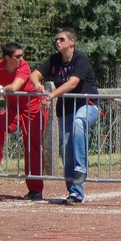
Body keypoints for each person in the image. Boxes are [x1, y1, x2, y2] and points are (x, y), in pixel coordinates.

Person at [29, 27, 99, 205]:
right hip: (65, 109)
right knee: (67, 150)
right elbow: (34, 75)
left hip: (87, 105)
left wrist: (50, 96)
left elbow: (72, 83)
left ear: (71, 42)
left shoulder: (80, 59)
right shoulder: (54, 60)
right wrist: (38, 84)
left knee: (78, 123)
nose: (57, 42)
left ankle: (81, 168)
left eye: (61, 39)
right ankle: (75, 193)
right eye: (56, 40)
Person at [0, 42, 48, 201]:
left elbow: (16, 86)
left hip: (33, 105)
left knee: (32, 146)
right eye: (17, 56)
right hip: (14, 106)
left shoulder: (24, 67)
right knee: (0, 120)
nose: (21, 59)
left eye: (22, 55)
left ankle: (36, 190)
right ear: (7, 58)